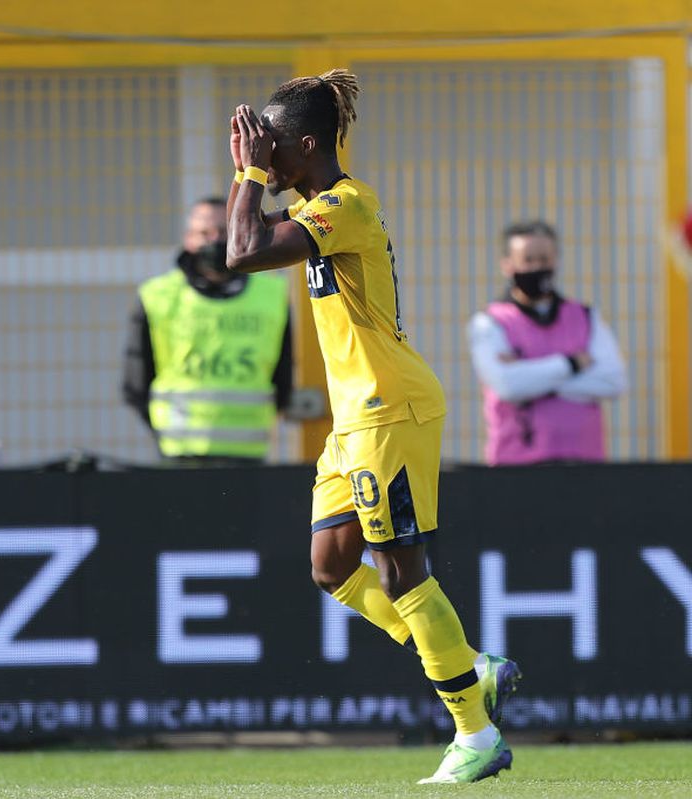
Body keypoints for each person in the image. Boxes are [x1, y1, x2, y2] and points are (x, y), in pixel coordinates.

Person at [225, 69, 520, 784]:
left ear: (306, 144)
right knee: (331, 566)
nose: (262, 153)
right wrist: (251, 173)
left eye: (271, 143)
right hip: (356, 418)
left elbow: (243, 252)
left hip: (390, 408)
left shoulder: (346, 205)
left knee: (400, 568)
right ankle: (469, 664)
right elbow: (244, 240)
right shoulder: (319, 206)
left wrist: (250, 175)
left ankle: (475, 733)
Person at [122, 197, 294, 464]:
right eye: (204, 233)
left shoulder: (272, 295)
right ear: (188, 239)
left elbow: (284, 377)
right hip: (179, 453)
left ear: (239, 233)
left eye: (223, 232)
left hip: (248, 454)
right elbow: (136, 382)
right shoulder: (158, 297)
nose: (215, 240)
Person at [468, 220, 627, 465]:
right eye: (528, 260)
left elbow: (613, 381)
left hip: (585, 463)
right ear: (507, 265)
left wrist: (530, 375)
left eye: (544, 259)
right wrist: (572, 364)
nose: (537, 267)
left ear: (556, 260)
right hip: (515, 465)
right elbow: (508, 385)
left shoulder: (585, 316)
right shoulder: (489, 322)